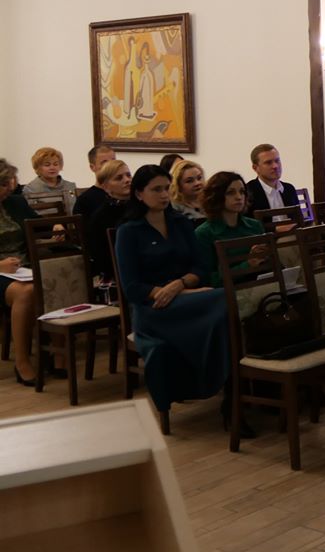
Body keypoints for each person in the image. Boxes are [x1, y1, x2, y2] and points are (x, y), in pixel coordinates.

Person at [115, 165, 232, 423]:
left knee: (226, 305)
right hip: (154, 309)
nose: (164, 195)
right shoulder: (129, 231)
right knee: (225, 299)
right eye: (156, 190)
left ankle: (233, 391)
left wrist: (180, 286)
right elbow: (132, 287)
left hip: (186, 297)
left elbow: (200, 268)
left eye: (166, 189)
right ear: (139, 194)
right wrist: (175, 292)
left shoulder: (180, 223)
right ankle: (225, 386)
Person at [0, 159, 40, 386]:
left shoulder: (15, 202)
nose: (9, 188)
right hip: (2, 273)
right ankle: (22, 361)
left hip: (23, 268)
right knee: (25, 292)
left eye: (9, 182)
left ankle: (58, 354)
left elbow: (38, 224)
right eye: (3, 184)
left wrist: (56, 225)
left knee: (52, 279)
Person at [195, 172, 265, 287]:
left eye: (242, 192)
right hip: (228, 291)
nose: (239, 197)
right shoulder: (204, 233)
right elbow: (210, 280)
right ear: (216, 196)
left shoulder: (255, 225)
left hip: (261, 283)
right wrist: (247, 265)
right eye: (230, 193)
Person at [85, 160, 132, 279]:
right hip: (119, 273)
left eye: (128, 175)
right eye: (119, 178)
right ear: (105, 186)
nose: (127, 180)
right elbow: (102, 258)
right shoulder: (100, 217)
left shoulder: (144, 207)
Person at [22, 147, 78, 214]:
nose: (52, 168)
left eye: (55, 164)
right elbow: (31, 215)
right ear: (38, 167)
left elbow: (76, 207)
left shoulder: (70, 186)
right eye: (47, 165)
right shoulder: (30, 189)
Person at [246, 144, 298, 214]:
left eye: (277, 160)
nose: (275, 166)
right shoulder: (248, 192)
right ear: (255, 168)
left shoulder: (289, 189)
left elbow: (298, 217)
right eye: (268, 163)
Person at [73, 143, 116, 217]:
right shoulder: (84, 201)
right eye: (104, 162)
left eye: (113, 161)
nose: (111, 166)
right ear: (92, 167)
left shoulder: (124, 194)